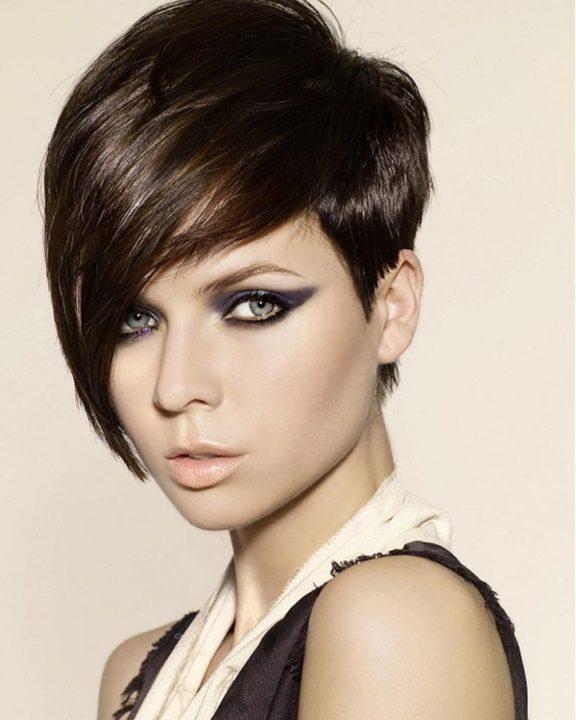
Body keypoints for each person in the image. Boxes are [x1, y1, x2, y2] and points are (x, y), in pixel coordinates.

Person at [40, 0, 529, 718]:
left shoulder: (394, 624)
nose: (176, 386)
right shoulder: (140, 676)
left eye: (254, 305)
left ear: (391, 306)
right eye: (135, 319)